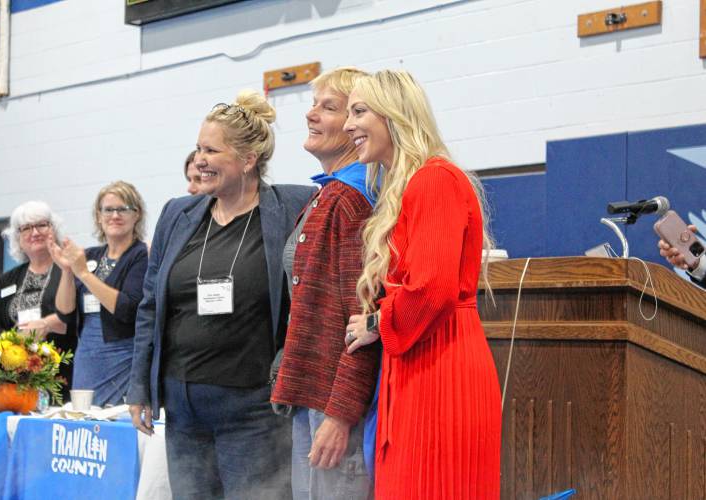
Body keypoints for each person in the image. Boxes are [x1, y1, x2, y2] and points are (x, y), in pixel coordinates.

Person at [127, 90, 315, 500]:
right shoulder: (178, 213)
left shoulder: (293, 207)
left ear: (248, 160)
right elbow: (150, 304)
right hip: (183, 408)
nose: (199, 160)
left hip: (253, 411)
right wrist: (140, 385)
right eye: (198, 149)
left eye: (211, 150)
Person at [343, 70, 502, 499]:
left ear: (395, 114)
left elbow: (431, 289)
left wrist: (375, 324)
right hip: (421, 362)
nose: (347, 124)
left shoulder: (433, 180)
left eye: (360, 111)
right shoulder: (412, 184)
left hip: (440, 367)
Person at [270, 67, 379, 500]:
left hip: (334, 408)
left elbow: (363, 320)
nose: (311, 115)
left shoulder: (350, 199)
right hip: (315, 399)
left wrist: (341, 414)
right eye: (314, 105)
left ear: (356, 127)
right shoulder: (328, 193)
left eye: (328, 108)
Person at [50, 181, 148, 407]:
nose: (115, 215)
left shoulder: (140, 255)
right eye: (108, 209)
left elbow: (127, 308)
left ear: (137, 215)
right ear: (98, 216)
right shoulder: (91, 255)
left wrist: (83, 273)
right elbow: (65, 312)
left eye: (123, 209)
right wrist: (67, 271)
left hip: (121, 355)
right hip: (87, 354)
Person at [0, 201, 76, 400]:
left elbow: (76, 318)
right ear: (18, 239)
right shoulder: (7, 279)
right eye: (26, 228)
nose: (35, 233)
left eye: (42, 225)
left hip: (59, 379)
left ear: (54, 230)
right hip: (12, 379)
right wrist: (16, 340)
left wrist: (46, 325)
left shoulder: (69, 271)